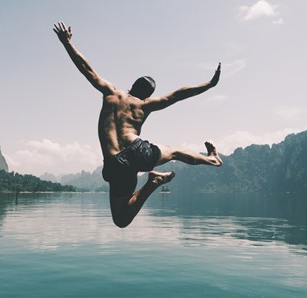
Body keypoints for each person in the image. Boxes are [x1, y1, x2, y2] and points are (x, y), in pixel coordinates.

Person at [53, 21, 222, 228]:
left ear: (132, 85)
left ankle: (153, 183)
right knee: (176, 152)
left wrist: (67, 43)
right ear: (148, 95)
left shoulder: (111, 93)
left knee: (121, 220)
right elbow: (178, 95)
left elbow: (87, 70)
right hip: (138, 151)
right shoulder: (145, 105)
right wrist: (209, 84)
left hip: (114, 162)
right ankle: (211, 160)